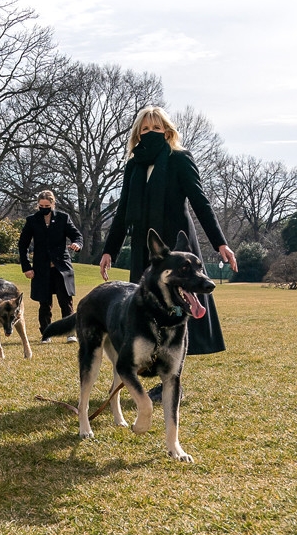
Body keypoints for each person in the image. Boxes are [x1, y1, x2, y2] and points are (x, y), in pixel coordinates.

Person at [99, 105, 238, 357]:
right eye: (145, 128)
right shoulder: (134, 165)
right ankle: (151, 363)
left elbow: (200, 201)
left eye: (156, 127)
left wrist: (221, 243)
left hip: (176, 246)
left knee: (179, 305)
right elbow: (123, 211)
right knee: (147, 309)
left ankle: (173, 376)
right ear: (138, 133)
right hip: (145, 247)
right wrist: (110, 250)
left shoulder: (180, 158)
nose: (151, 131)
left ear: (166, 130)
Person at [18, 190, 84, 343]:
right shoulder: (32, 220)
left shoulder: (63, 218)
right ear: (38, 205)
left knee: (65, 301)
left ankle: (70, 333)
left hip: (62, 267)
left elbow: (77, 235)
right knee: (44, 302)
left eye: (47, 205)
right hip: (41, 268)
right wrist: (27, 267)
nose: (44, 208)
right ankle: (46, 334)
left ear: (53, 204)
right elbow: (23, 245)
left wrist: (77, 244)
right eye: (41, 205)